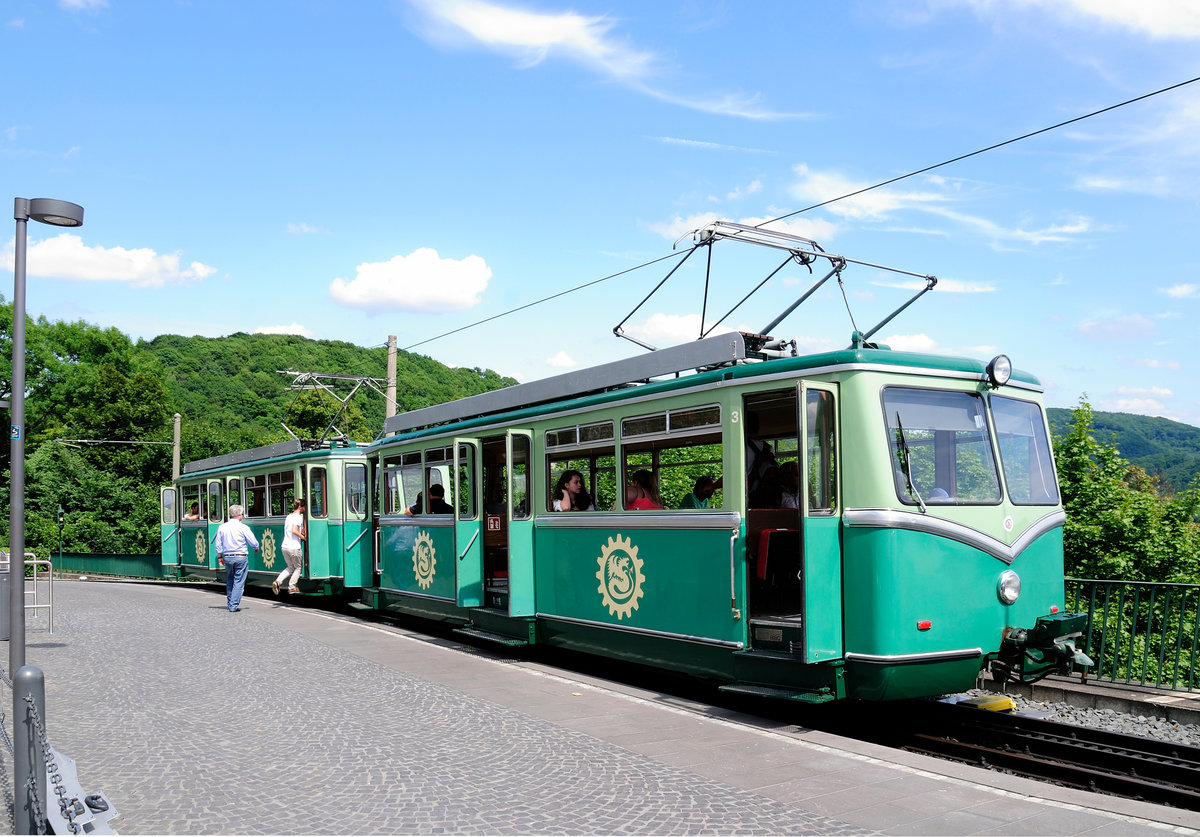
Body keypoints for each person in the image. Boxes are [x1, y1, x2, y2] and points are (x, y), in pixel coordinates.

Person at [214, 504, 259, 612]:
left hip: (228, 557)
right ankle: (233, 605)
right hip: (240, 556)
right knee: (239, 581)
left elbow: (218, 543)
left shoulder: (222, 527)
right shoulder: (243, 527)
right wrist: (256, 547)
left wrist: (220, 556)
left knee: (230, 579)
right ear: (239, 515)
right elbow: (253, 541)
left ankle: (230, 602)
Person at [273, 498, 306, 595]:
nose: (305, 509)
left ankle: (277, 582)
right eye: (304, 507)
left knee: (290, 567)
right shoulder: (298, 517)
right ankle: (292, 587)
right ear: (300, 507)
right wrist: (303, 537)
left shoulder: (289, 516)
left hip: (285, 546)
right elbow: (294, 530)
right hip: (294, 547)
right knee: (298, 568)